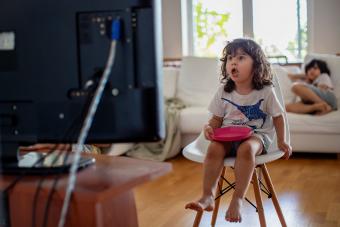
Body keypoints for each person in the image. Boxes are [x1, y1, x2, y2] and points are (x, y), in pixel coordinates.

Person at [184, 38, 292, 223]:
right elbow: (217, 119)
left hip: (257, 135)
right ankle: (207, 196)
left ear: (256, 65)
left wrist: (283, 141)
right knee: (214, 149)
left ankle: (237, 199)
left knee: (246, 149)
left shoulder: (265, 90)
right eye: (230, 58)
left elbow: (278, 117)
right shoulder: (223, 91)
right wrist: (209, 127)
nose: (233, 62)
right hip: (228, 134)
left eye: (241, 57)